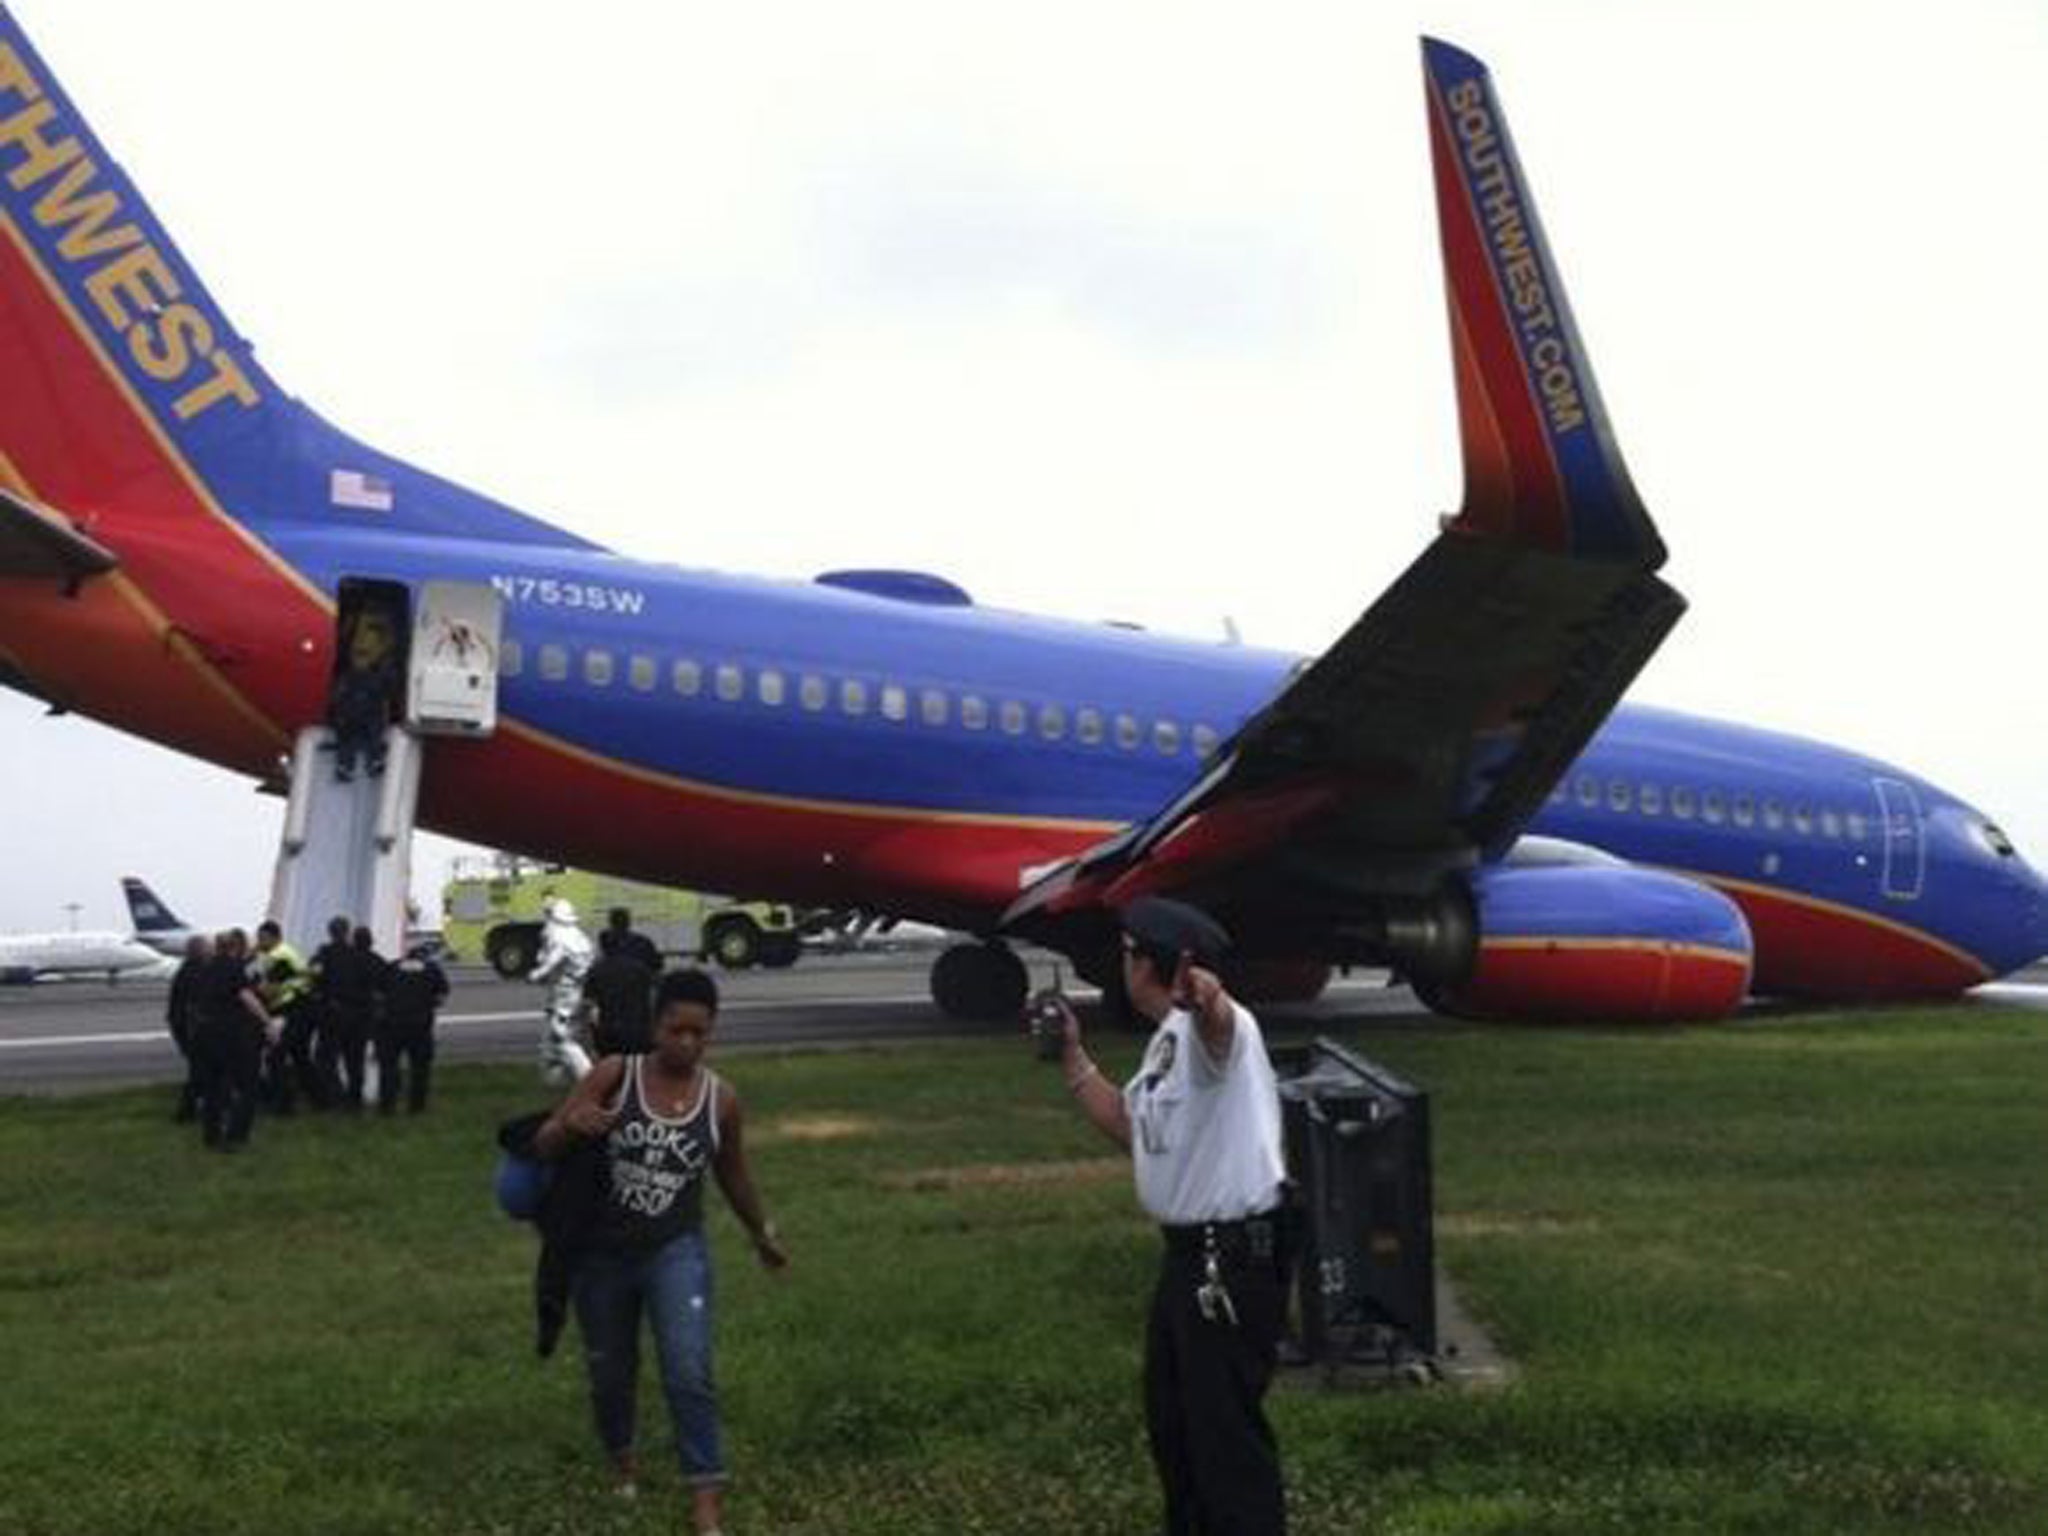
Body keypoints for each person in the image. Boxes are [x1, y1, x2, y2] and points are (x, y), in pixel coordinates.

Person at [1051, 897, 1290, 1536]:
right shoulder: (1165, 1044)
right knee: (1175, 1421)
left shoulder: (1217, 1031)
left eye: (1127, 953)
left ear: (1158, 964)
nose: (1120, 964)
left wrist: (1207, 998)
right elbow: (1133, 1125)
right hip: (1188, 1256)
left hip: (1231, 1257)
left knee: (1223, 1436)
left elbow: (1220, 1030)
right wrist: (1072, 1056)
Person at [535, 968, 789, 1532]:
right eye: (678, 1031)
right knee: (610, 1370)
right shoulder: (613, 1075)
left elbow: (735, 1177)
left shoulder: (720, 1100)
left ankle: (705, 1496)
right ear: (656, 1026)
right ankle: (622, 1463)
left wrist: (762, 1235)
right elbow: (544, 1144)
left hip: (674, 1251)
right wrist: (571, 1124)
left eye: (701, 1034)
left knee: (688, 1368)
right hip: (600, 1255)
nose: (689, 1044)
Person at [191, 928, 276, 1151]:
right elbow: (247, 996)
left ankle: (211, 1136)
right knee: (248, 1085)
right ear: (235, 948)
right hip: (230, 1035)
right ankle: (237, 1135)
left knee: (214, 1087)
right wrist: (267, 1022)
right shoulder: (234, 968)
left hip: (205, 1033)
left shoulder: (204, 969)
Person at [314, 919, 386, 1110]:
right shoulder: (366, 957)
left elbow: (315, 977)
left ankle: (334, 1097)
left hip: (334, 1014)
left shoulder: (326, 953)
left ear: (330, 932)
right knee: (354, 1059)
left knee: (325, 1058)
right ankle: (354, 1100)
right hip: (361, 1015)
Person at [253, 919, 322, 1113]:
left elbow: (270, 990)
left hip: (291, 1009)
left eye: (262, 939)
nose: (259, 943)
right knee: (300, 1056)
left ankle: (283, 1104)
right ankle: (320, 1099)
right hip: (302, 1008)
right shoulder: (287, 951)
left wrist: (253, 989)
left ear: (274, 938)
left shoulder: (277, 956)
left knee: (276, 1057)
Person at [328, 605, 400, 782]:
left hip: (354, 714)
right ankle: (370, 762)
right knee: (369, 736)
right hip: (362, 715)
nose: (362, 641)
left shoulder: (351, 676)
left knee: (353, 738)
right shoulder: (373, 676)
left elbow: (337, 697)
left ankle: (347, 766)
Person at [376, 941, 449, 1113]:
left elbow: (378, 993)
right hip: (420, 1026)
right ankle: (416, 1106)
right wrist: (429, 1003)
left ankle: (387, 1106)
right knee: (420, 1069)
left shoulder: (392, 967)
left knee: (389, 1067)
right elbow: (441, 997)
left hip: (392, 1024)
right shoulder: (432, 970)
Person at [531, 896, 595, 1084]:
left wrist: (535, 975)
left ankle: (589, 1082)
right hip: (579, 993)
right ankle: (555, 1081)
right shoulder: (580, 936)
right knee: (556, 1042)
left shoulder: (559, 937)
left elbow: (550, 963)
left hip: (565, 996)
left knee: (563, 1039)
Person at [583, 927, 656, 1057]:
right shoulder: (639, 969)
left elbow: (590, 1006)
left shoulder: (596, 971)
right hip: (638, 1031)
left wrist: (593, 1034)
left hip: (609, 1032)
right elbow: (652, 1000)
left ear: (602, 947)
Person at [164, 932, 212, 1123]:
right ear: (200, 951)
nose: (212, 951)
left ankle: (192, 1109)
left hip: (184, 1026)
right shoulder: (195, 973)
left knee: (200, 1070)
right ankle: (186, 1112)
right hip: (190, 1028)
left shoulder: (187, 970)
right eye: (209, 948)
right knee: (200, 1070)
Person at [606, 906, 664, 974]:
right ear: (628, 923)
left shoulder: (608, 942)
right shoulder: (643, 941)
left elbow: (657, 964)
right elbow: (657, 964)